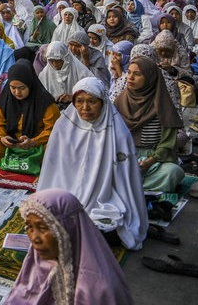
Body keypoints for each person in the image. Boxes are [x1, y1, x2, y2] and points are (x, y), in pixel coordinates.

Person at [38, 77, 147, 250]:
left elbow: (125, 181)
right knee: (47, 220)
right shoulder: (64, 126)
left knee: (108, 232)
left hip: (104, 201)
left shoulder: (118, 134)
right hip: (67, 194)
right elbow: (55, 170)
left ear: (103, 103)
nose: (85, 108)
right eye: (79, 101)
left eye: (92, 102)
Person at [7, 189, 132, 305]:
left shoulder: (99, 288)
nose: (35, 238)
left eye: (43, 228)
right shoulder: (37, 264)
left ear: (69, 228)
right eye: (29, 227)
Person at [112, 57, 186, 193]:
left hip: (154, 160)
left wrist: (150, 161)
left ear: (150, 78)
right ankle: (130, 183)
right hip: (124, 156)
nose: (130, 77)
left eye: (137, 74)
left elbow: (167, 143)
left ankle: (128, 184)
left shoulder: (162, 103)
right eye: (128, 72)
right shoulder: (120, 101)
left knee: (173, 172)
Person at [0, 60, 60, 162]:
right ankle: (29, 158)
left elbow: (52, 130)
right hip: (13, 143)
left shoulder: (45, 102)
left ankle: (16, 157)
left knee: (53, 149)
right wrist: (2, 138)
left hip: (36, 144)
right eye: (13, 87)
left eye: (22, 88)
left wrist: (33, 142)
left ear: (30, 84)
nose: (17, 92)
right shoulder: (6, 99)